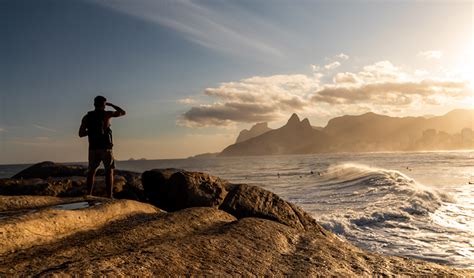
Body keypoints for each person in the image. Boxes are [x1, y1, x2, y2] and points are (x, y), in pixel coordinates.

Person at [79, 96, 126, 198]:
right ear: (104, 105)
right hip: (106, 148)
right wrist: (112, 105)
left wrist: (91, 131)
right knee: (109, 171)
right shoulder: (107, 114)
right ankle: (109, 196)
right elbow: (123, 112)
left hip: (93, 148)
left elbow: (81, 133)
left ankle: (89, 194)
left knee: (91, 171)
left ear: (94, 104)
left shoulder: (87, 117)